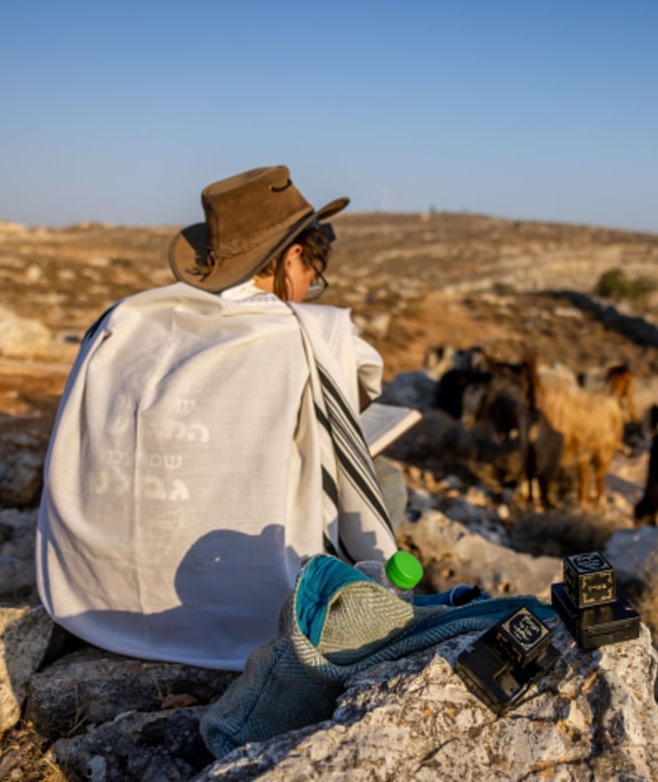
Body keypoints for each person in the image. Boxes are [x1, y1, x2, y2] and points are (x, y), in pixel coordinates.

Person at [36, 166, 402, 670]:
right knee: (385, 481)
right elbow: (362, 384)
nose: (304, 295)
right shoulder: (307, 334)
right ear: (292, 254)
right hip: (246, 613)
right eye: (309, 280)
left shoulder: (124, 323)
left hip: (93, 589)